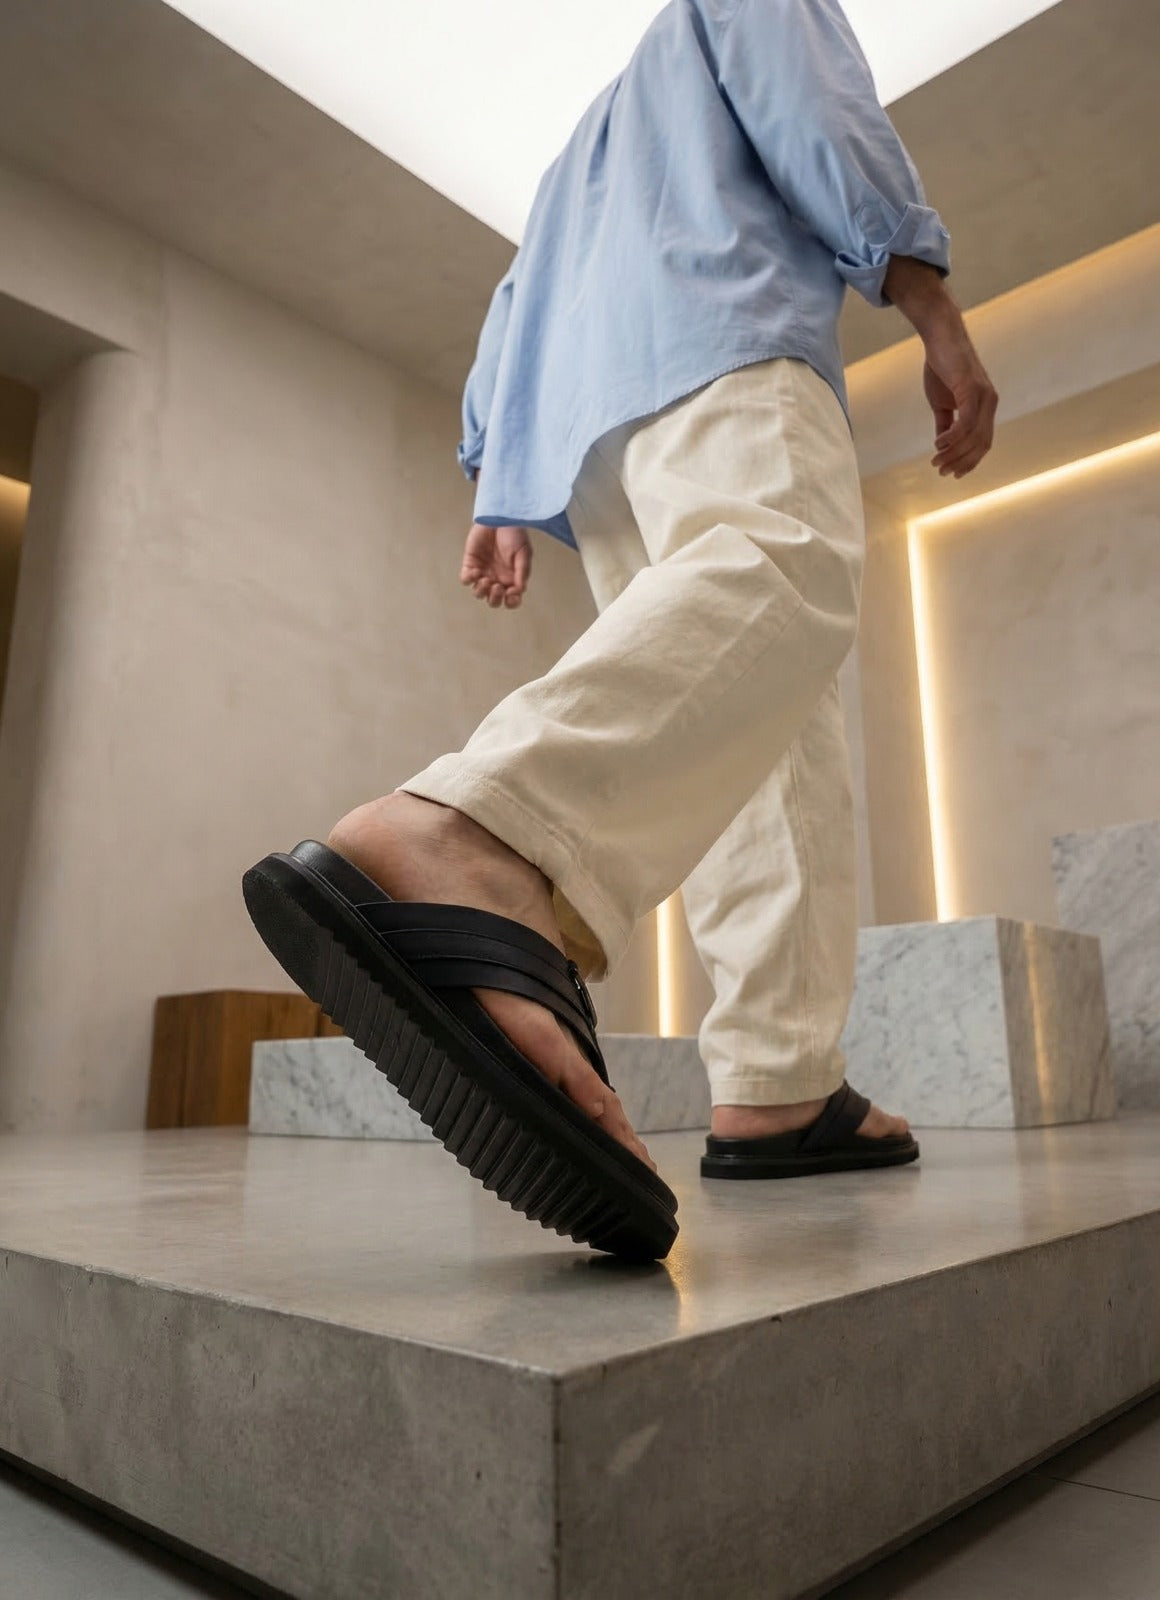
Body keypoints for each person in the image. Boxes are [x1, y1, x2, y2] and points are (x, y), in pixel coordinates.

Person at [244, 0, 997, 1260]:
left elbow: (511, 314)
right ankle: (477, 838)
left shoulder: (567, 166)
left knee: (756, 720)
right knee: (787, 561)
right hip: (725, 334)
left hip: (590, 435)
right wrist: (935, 306)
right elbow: (818, 114)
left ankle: (779, 1079)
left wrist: (499, 483)